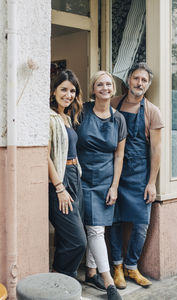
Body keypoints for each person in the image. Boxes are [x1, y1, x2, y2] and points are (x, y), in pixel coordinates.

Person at [109, 62, 164, 289]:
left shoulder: (152, 111)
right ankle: (117, 267)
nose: (139, 83)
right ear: (128, 80)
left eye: (144, 80)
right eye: (136, 78)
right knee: (114, 221)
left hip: (140, 175)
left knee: (141, 223)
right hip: (114, 173)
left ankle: (132, 267)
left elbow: (156, 149)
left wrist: (152, 182)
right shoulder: (113, 103)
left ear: (148, 85)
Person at [76, 71, 127, 300]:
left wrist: (114, 186)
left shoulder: (119, 119)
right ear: (93, 89)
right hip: (82, 178)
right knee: (95, 229)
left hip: (106, 181)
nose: (105, 87)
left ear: (113, 89)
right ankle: (109, 283)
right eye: (100, 84)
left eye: (108, 84)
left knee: (97, 228)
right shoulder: (83, 111)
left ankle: (91, 272)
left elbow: (119, 156)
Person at [48, 69, 87, 278]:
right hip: (60, 180)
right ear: (54, 90)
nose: (68, 95)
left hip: (74, 177)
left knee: (66, 238)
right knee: (77, 241)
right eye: (63, 89)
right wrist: (59, 187)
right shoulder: (49, 116)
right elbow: (45, 156)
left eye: (72, 91)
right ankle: (58, 275)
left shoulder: (67, 117)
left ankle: (65, 282)